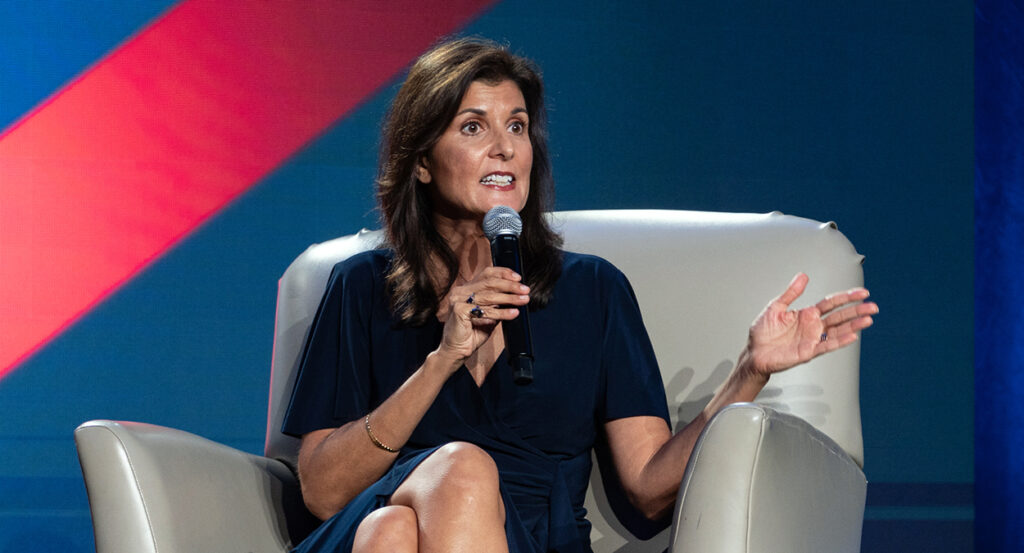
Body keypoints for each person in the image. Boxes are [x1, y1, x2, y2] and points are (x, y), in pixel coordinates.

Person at [281, 37, 878, 553]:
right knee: (431, 489)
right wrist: (441, 361)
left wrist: (749, 372)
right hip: (377, 514)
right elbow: (324, 493)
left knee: (390, 534)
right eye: (473, 127)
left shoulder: (592, 291)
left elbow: (649, 489)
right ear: (422, 164)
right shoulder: (362, 288)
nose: (504, 148)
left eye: (517, 126)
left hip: (526, 538)